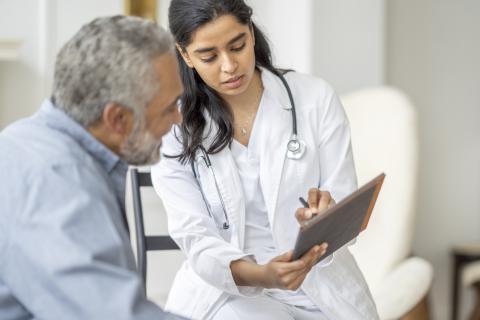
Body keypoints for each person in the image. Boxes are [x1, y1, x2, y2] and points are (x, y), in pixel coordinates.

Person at [150, 0, 379, 319]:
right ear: (186, 55)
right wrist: (261, 275)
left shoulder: (315, 98)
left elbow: (345, 206)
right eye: (209, 56)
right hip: (230, 292)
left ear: (252, 34)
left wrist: (325, 217)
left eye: (237, 45)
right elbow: (195, 237)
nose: (229, 66)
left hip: (320, 287)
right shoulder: (173, 127)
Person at [0, 15, 187, 319]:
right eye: (169, 108)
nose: (178, 119)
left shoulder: (24, 138)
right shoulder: (57, 182)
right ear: (118, 120)